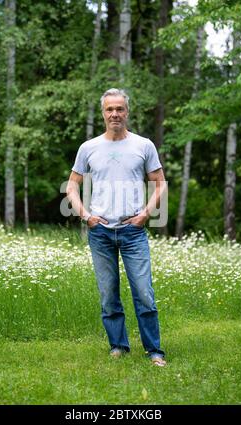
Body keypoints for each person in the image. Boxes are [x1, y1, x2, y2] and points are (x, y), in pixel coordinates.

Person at [66, 88, 167, 367]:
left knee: (144, 293)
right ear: (103, 113)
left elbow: (160, 183)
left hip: (133, 232)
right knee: (108, 294)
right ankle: (118, 346)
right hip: (99, 232)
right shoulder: (89, 148)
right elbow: (72, 185)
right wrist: (86, 215)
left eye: (119, 109)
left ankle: (154, 351)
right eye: (110, 109)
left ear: (127, 112)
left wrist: (146, 214)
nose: (115, 114)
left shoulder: (143, 145)